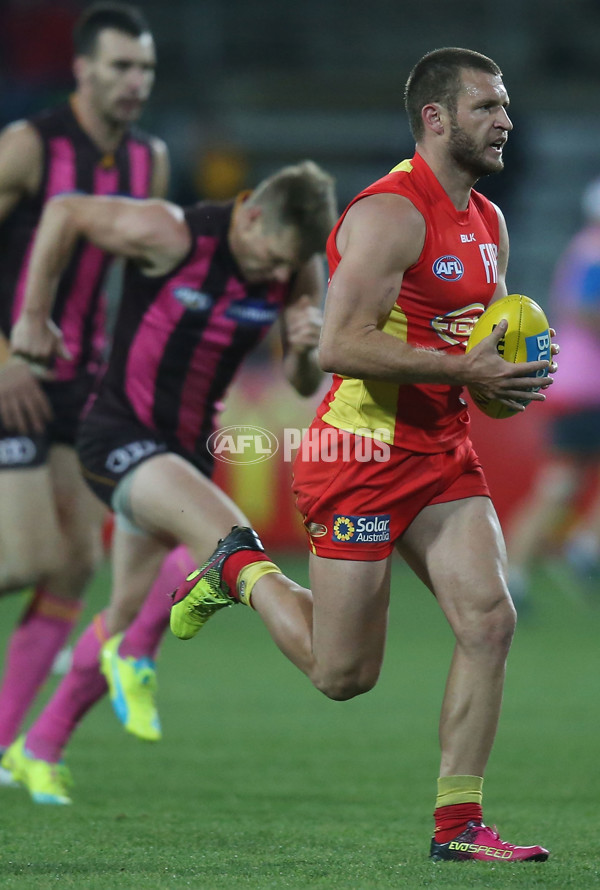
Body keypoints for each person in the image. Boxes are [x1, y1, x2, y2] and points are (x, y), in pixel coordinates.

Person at [166, 48, 557, 863]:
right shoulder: (387, 213)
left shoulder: (489, 222)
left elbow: (476, 341)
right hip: (361, 453)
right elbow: (342, 344)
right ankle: (241, 568)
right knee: (344, 676)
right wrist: (464, 369)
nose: (505, 120)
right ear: (436, 119)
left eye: (506, 105)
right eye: (487, 106)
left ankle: (459, 829)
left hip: (442, 448)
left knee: (489, 620)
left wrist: (501, 382)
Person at [1, 160, 338, 804]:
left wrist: (302, 347)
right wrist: (32, 318)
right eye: (271, 258)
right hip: (119, 436)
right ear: (252, 213)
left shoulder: (296, 264)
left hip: (184, 456)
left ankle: (36, 747)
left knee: (127, 608)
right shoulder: (172, 233)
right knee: (232, 541)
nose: (274, 275)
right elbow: (65, 208)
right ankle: (142, 656)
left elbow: (301, 383)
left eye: (286, 265)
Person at [0, 1, 169, 778]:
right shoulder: (29, 149)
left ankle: (2, 745)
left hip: (82, 382)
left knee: (71, 567)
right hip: (12, 372)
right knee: (26, 558)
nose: (135, 82)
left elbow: (143, 286)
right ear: (82, 70)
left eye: (145, 68)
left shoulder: (150, 162)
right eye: (120, 67)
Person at [507, 177, 600, 606]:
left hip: (578, 384)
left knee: (562, 482)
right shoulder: (594, 253)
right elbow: (588, 312)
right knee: (559, 484)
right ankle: (576, 550)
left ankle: (533, 564)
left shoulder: (585, 249)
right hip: (587, 387)